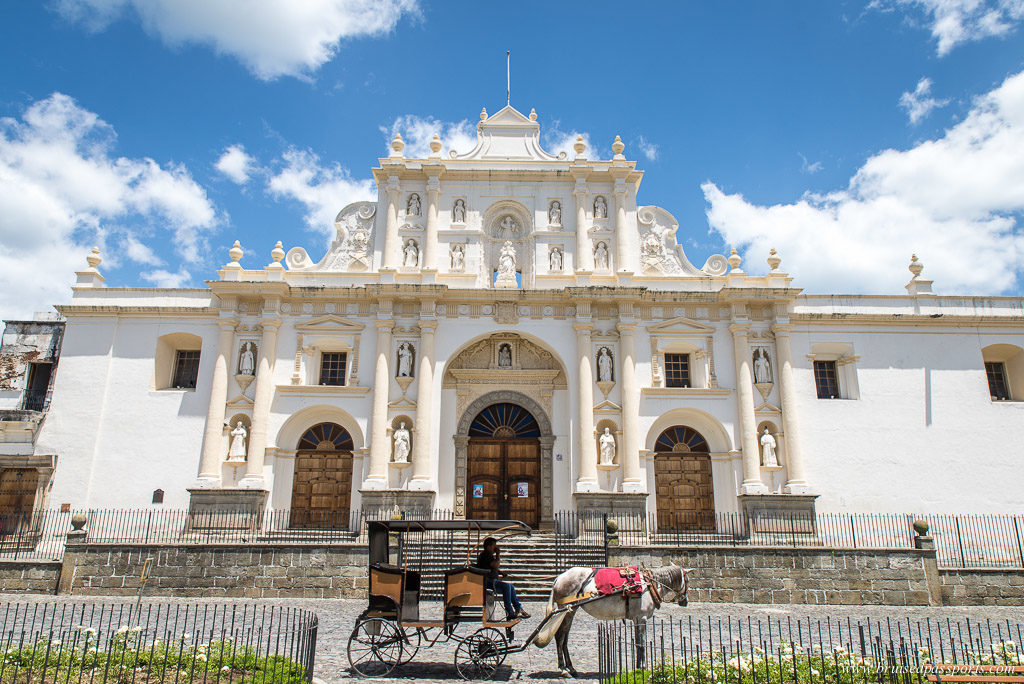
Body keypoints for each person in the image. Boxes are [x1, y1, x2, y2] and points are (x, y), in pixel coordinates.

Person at [475, 537, 530, 620]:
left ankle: (518, 609)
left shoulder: (488, 555)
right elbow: (495, 565)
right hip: (487, 581)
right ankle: (509, 611)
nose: (496, 548)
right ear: (488, 547)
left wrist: (501, 573)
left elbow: (492, 567)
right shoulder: (485, 555)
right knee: (506, 586)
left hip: (491, 580)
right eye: (494, 546)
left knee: (511, 587)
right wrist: (498, 554)